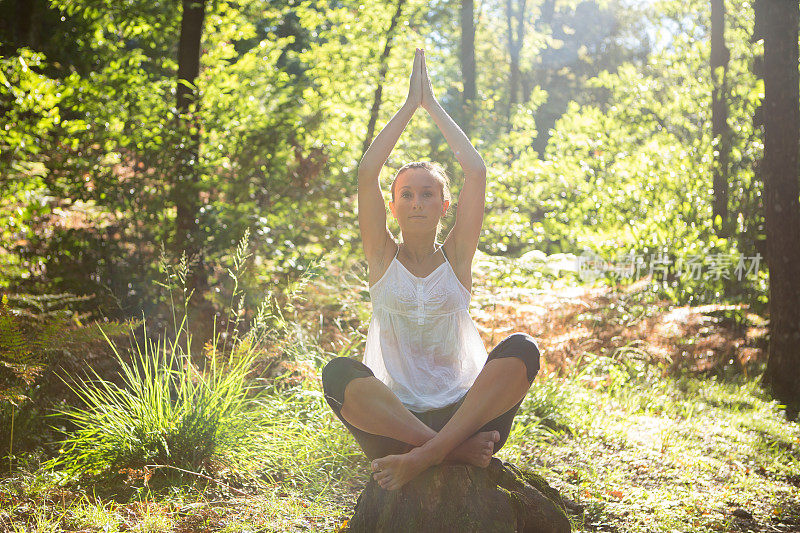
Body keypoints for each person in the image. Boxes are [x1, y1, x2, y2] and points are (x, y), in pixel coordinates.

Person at [322, 48, 540, 491]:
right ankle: (443, 451)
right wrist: (407, 107)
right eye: (406, 194)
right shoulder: (381, 257)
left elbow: (475, 171)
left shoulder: (457, 257)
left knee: (523, 348)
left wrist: (433, 105)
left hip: (468, 415)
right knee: (337, 376)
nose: (416, 202)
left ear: (445, 206)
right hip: (396, 424)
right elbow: (368, 171)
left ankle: (432, 451)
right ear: (393, 205)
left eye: (427, 194)